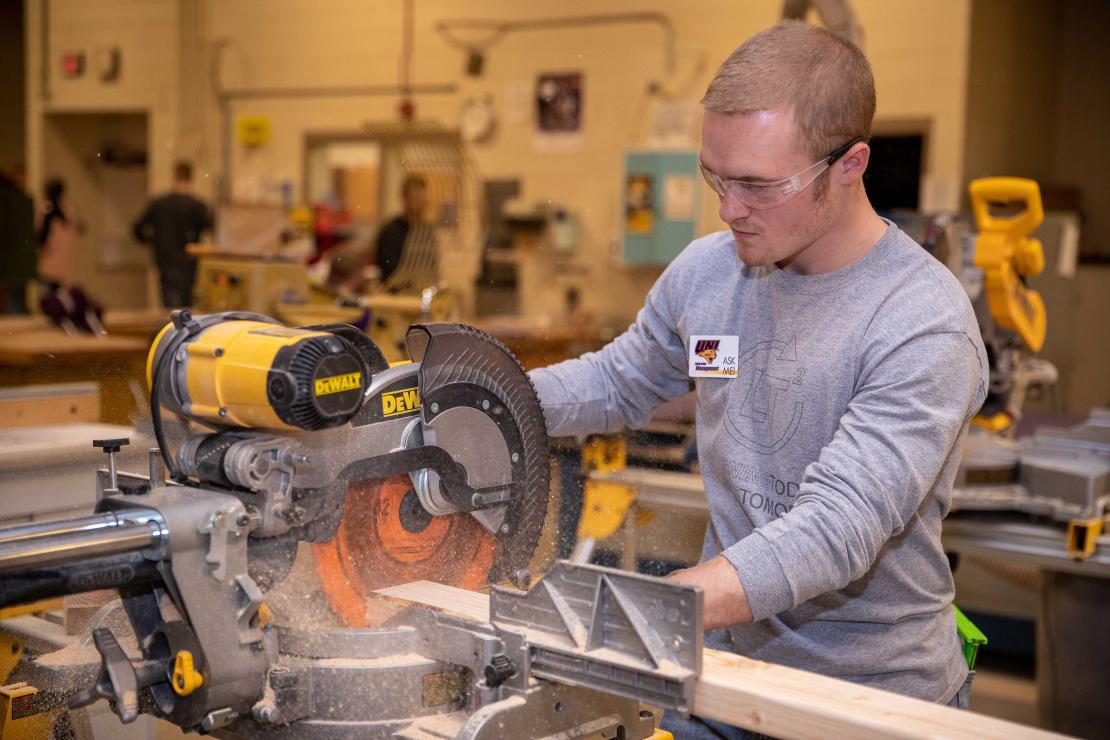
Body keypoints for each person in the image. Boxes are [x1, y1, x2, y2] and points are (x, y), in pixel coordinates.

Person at [528, 21, 988, 737]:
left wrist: (663, 606)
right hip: (724, 677)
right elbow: (618, 382)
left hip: (872, 701)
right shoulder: (710, 274)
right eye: (716, 175)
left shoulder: (920, 320)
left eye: (758, 185)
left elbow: (837, 526)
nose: (728, 208)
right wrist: (483, 395)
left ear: (850, 164)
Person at [132, 161, 213, 307]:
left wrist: (153, 240)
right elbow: (212, 228)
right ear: (191, 178)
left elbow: (137, 229)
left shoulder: (159, 204)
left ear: (175, 176)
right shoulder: (198, 206)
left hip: (165, 260)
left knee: (169, 305)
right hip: (189, 262)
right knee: (186, 305)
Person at [374, 174, 428, 284]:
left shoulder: (426, 231)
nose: (419, 203)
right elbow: (390, 270)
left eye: (421, 199)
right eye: (415, 198)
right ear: (404, 196)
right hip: (395, 295)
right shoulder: (390, 231)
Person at [0, 167, 36, 314]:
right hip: (20, 255)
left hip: (12, 255)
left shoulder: (10, 202)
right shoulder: (23, 200)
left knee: (14, 297)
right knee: (16, 295)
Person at [36, 178, 81, 290]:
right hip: (55, 255)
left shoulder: (54, 209)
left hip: (53, 254)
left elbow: (41, 232)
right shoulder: (67, 209)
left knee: (52, 287)